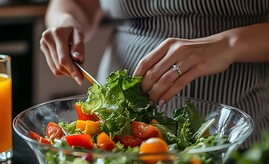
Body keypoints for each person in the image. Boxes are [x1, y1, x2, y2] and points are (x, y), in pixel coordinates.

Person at [40, 0, 269, 149]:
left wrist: (228, 44)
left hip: (238, 133)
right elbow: (79, 4)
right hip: (113, 144)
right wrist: (65, 21)